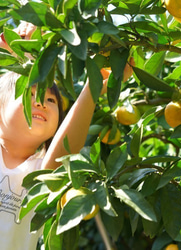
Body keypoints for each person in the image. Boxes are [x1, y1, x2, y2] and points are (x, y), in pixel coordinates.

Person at [0, 22, 109, 250]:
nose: (41, 101)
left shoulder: (41, 172)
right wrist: (24, 52)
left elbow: (65, 151)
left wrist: (92, 88)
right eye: (30, 93)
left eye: (51, 100)